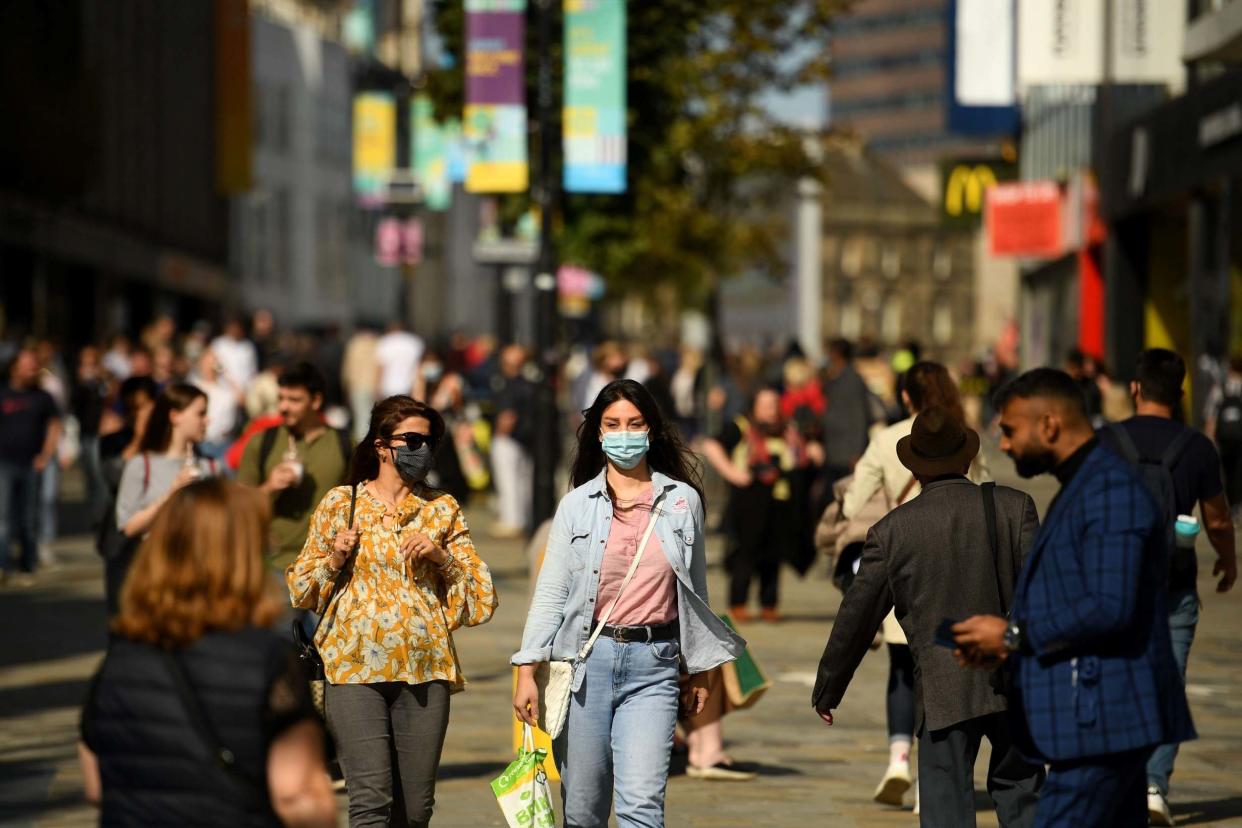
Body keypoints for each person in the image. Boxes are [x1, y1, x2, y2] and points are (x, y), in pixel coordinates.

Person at [953, 368, 1196, 827]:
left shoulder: (1108, 488)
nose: (1002, 444)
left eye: (1009, 430)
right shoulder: (1085, 482)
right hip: (1096, 720)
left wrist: (1012, 634)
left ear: (1048, 424)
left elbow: (1111, 604)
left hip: (1104, 723)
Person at [512, 379, 746, 828]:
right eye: (613, 424)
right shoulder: (576, 506)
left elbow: (695, 592)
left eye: (635, 424)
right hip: (585, 666)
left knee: (642, 807)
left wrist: (701, 667)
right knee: (583, 811)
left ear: (652, 430)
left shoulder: (683, 501)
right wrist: (526, 671)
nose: (624, 433)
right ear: (598, 433)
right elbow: (551, 593)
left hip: (655, 666)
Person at [813, 407, 1045, 826]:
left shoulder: (892, 532)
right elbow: (1045, 597)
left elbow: (857, 616)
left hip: (943, 687)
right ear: (967, 458)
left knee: (945, 806)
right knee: (1024, 795)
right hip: (1016, 677)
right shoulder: (1016, 508)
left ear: (914, 467)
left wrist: (829, 687)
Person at [288, 395, 496, 827]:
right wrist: (333, 559)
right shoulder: (339, 503)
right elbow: (300, 590)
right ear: (382, 445)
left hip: (424, 668)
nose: (422, 449)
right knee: (370, 801)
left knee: (415, 810)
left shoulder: (442, 508)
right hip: (352, 668)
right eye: (413, 439)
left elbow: (481, 599)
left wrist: (442, 558)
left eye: (429, 441)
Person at [78, 479, 336, 827]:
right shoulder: (269, 660)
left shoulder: (118, 660)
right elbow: (297, 793)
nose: (271, 543)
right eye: (262, 538)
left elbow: (95, 785)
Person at [839, 361, 991, 805]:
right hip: (956, 570)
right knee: (944, 674)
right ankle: (933, 779)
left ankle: (898, 759)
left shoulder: (885, 440)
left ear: (905, 397)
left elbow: (852, 504)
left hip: (902, 563)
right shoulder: (963, 437)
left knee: (902, 669)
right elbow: (981, 494)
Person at [1095, 348, 1236, 824]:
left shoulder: (1104, 441)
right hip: (1173, 587)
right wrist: (1228, 561)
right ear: (1180, 395)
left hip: (1111, 588)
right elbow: (1217, 519)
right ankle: (1155, 786)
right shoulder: (1197, 447)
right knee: (1167, 684)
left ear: (1135, 389)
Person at [702, 387, 823, 621]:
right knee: (745, 554)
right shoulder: (741, 427)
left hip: (780, 501)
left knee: (774, 555)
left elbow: (807, 453)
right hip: (750, 500)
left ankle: (769, 604)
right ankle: (738, 604)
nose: (771, 409)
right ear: (754, 406)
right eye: (765, 404)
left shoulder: (789, 429)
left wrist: (813, 452)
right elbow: (711, 445)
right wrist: (733, 472)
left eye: (775, 403)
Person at [112, 384, 218, 609]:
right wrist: (171, 493)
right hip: (159, 578)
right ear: (175, 415)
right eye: (201, 413)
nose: (207, 420)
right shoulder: (142, 465)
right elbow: (128, 526)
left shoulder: (210, 466)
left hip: (205, 579)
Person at [238, 363, 351, 572]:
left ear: (316, 401)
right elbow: (238, 506)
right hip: (276, 565)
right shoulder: (262, 442)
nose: (283, 407)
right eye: (281, 398)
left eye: (294, 400)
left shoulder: (345, 443)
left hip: (330, 566)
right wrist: (269, 487)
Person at [0, 348, 61, 584]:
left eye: (34, 365)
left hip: (31, 464)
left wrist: (46, 455)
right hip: (4, 463)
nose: (32, 369)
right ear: (14, 367)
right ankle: (3, 564)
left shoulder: (43, 397)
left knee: (28, 517)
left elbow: (55, 426)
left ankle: (28, 563)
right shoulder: (3, 393)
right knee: (3, 518)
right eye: (27, 364)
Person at [490, 344, 536, 539]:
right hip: (525, 439)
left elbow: (507, 416)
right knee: (523, 481)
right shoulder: (529, 385)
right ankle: (522, 519)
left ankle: (512, 520)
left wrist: (499, 434)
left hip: (508, 439)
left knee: (508, 480)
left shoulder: (509, 385)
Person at [821, 338, 877, 485]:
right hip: (835, 449)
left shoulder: (852, 380)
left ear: (837, 354)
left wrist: (856, 452)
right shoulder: (834, 377)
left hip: (846, 452)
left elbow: (859, 416)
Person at [71, 345, 111, 526]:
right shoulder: (78, 383)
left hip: (98, 434)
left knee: (99, 476)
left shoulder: (103, 381)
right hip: (84, 432)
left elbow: (109, 400)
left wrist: (101, 380)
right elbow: (73, 406)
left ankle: (100, 515)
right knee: (88, 475)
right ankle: (94, 511)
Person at [1204, 354, 1242, 514]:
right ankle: (1238, 504)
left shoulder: (1220, 387)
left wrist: (1209, 437)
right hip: (1240, 438)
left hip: (1224, 439)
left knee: (1227, 471)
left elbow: (1211, 413)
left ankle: (1232, 504)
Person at [190, 349, 240, 460]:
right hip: (202, 443)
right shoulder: (194, 386)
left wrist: (225, 373)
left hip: (224, 444)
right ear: (201, 363)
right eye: (209, 359)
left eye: (216, 360)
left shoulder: (226, 391)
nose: (213, 363)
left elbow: (242, 399)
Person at [375, 321, 425, 400]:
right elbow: (419, 367)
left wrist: (377, 388)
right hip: (409, 386)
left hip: (388, 386)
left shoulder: (385, 342)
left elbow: (380, 368)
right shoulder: (414, 342)